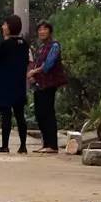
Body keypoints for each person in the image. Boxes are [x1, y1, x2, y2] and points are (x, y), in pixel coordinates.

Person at [0, 15, 30, 154]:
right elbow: (26, 62)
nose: (3, 27)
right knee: (20, 115)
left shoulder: (5, 44)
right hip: (19, 83)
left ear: (10, 27)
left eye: (5, 24)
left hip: (5, 83)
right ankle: (23, 146)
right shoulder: (24, 44)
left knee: (6, 114)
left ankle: (5, 145)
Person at [28, 21, 67, 154]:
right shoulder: (41, 47)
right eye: (40, 29)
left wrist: (34, 72)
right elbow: (37, 63)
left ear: (50, 31)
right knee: (39, 114)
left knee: (48, 113)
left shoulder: (54, 46)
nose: (42, 32)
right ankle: (46, 144)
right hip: (39, 85)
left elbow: (49, 64)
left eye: (45, 29)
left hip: (49, 84)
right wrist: (32, 76)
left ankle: (52, 145)